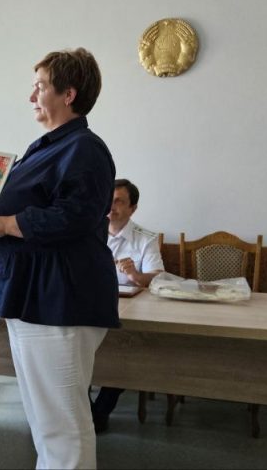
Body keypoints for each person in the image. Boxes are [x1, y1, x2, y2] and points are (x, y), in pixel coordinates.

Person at [0, 48, 117, 469]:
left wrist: (6, 223)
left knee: (62, 426)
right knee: (45, 423)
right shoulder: (48, 147)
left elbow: (76, 215)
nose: (31, 96)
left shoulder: (85, 148)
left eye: (40, 87)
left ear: (69, 94)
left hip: (59, 301)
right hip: (33, 299)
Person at [90, 178, 165, 433]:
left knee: (122, 359)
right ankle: (85, 411)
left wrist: (136, 275)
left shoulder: (145, 239)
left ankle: (100, 413)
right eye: (107, 201)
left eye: (118, 202)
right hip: (91, 308)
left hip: (130, 313)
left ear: (133, 208)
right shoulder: (88, 234)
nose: (111, 207)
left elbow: (158, 277)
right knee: (77, 355)